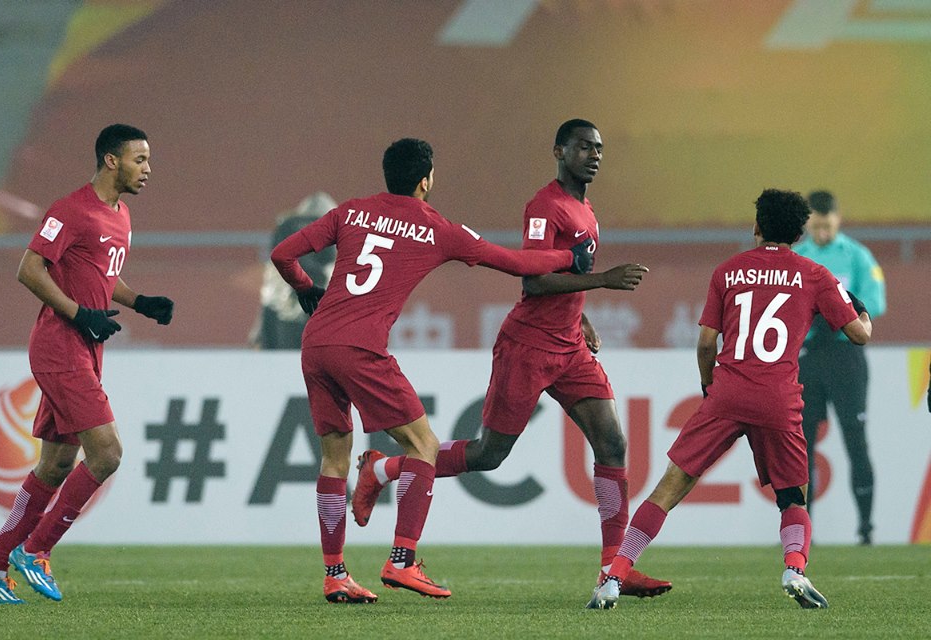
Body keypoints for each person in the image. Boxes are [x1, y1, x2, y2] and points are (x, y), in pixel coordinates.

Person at [350, 119, 672, 606]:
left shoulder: (585, 208)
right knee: (489, 454)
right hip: (527, 348)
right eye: (583, 146)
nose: (594, 154)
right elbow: (535, 282)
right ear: (559, 151)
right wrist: (603, 280)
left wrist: (580, 321)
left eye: (599, 147)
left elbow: (565, 282)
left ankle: (615, 566)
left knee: (612, 442)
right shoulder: (544, 206)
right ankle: (383, 470)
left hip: (569, 347)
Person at [269, 137, 596, 604]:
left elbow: (283, 253)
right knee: (422, 443)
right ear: (426, 180)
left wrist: (304, 287)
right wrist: (570, 258)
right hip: (360, 347)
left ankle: (335, 574)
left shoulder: (351, 211)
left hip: (316, 343)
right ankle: (402, 561)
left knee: (334, 457)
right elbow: (515, 263)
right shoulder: (435, 227)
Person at [588, 188, 872, 610]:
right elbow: (858, 335)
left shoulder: (728, 271)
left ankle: (614, 577)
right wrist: (858, 308)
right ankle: (794, 569)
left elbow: (706, 344)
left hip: (728, 392)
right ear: (798, 233)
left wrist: (710, 388)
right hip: (778, 396)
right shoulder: (814, 275)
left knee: (669, 487)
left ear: (756, 227)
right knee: (794, 496)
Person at [0, 124, 174, 605]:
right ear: (111, 160)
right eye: (139, 159)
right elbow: (29, 268)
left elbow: (104, 277)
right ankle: (35, 550)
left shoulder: (120, 215)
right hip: (59, 345)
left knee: (57, 464)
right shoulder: (71, 210)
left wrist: (140, 301)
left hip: (84, 347)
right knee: (107, 454)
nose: (147, 169)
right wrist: (78, 313)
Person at [792, 190, 886, 545]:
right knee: (802, 445)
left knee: (855, 440)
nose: (822, 233)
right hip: (808, 357)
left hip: (846, 357)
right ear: (809, 224)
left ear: (838, 220)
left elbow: (876, 301)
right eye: (816, 227)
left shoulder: (858, 256)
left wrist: (833, 317)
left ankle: (865, 528)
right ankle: (802, 532)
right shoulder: (798, 256)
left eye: (827, 226)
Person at [248, 192, 337, 349]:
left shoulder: (286, 229)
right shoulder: (335, 230)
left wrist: (261, 328)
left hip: (286, 313)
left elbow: (272, 287)